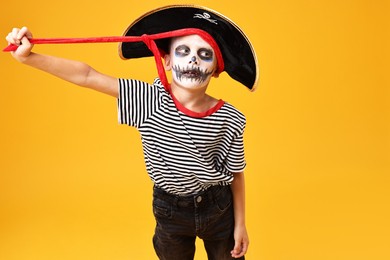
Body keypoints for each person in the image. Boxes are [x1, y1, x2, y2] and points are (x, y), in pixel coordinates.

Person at [5, 5, 258, 260]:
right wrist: (28, 57)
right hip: (170, 210)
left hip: (218, 208)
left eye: (205, 54)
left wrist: (240, 225)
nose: (193, 59)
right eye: (184, 51)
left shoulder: (230, 117)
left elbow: (236, 173)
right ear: (167, 60)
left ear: (216, 68)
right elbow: (87, 75)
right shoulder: (148, 100)